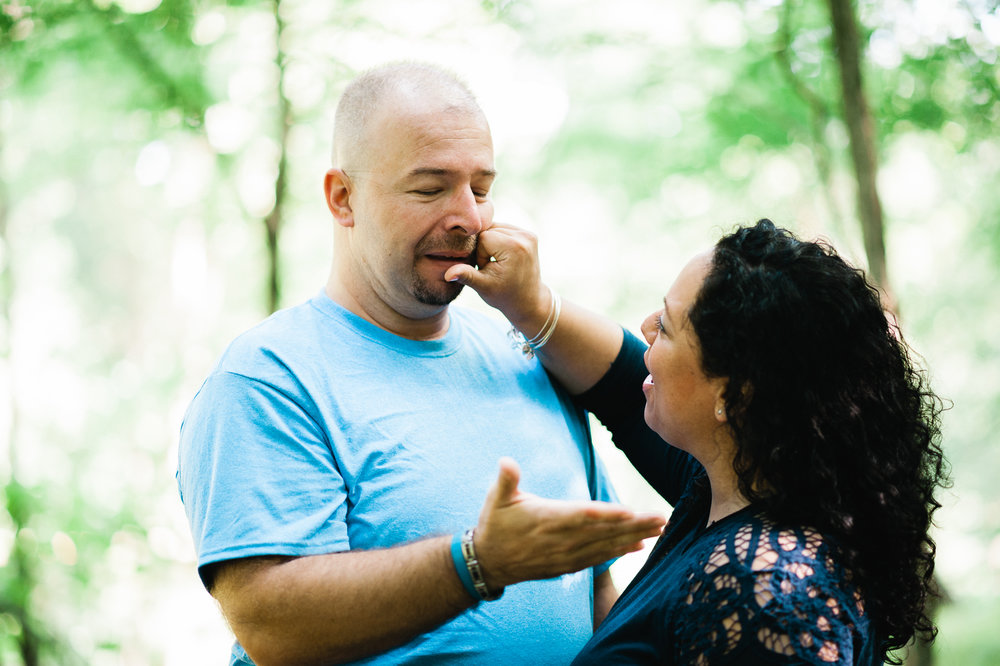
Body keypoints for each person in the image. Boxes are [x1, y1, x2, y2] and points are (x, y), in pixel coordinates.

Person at [175, 62, 665, 666]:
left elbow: (590, 593)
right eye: (431, 188)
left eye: (481, 189)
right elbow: (272, 626)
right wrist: (477, 563)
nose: (469, 220)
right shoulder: (269, 379)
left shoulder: (529, 352)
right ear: (343, 197)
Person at [450, 218, 948, 664]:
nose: (645, 328)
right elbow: (622, 390)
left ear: (731, 395)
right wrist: (529, 303)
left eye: (666, 326)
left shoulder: (765, 586)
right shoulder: (736, 489)